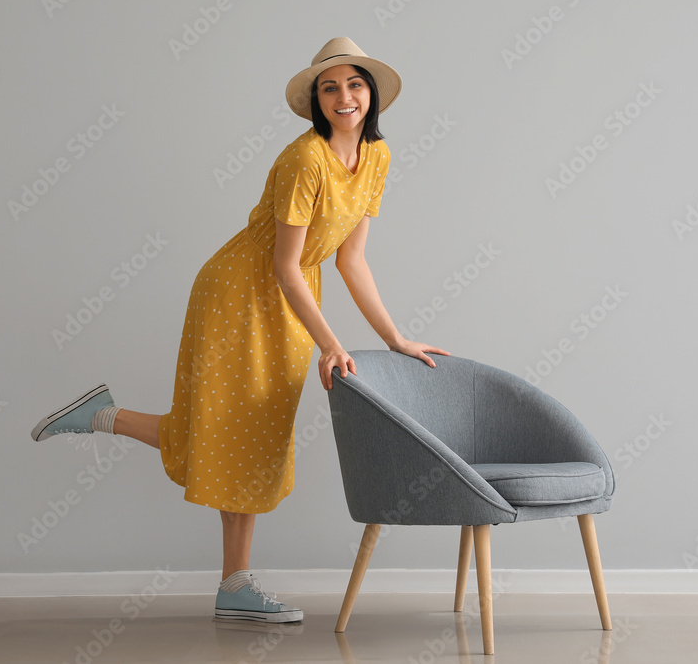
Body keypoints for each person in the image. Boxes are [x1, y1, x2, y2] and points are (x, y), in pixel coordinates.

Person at [30, 37, 449, 623]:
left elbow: (351, 260)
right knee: (238, 433)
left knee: (246, 433)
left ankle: (106, 419)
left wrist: (395, 338)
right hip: (241, 292)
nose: (344, 96)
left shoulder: (376, 158)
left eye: (354, 84)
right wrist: (331, 342)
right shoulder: (305, 159)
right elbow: (283, 263)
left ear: (372, 93)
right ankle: (236, 584)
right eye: (330, 87)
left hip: (290, 298)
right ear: (317, 100)